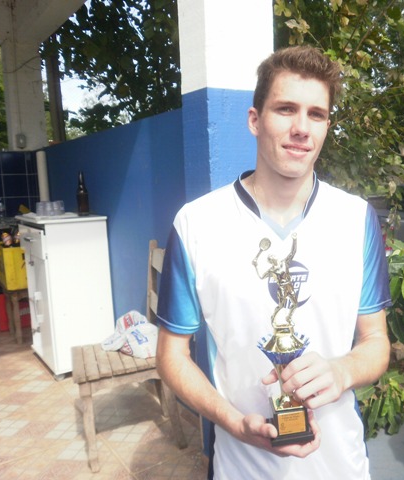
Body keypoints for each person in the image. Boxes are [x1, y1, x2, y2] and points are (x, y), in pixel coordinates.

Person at [156, 45, 391, 479]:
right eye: (286, 109)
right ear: (255, 120)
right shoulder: (196, 223)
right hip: (241, 466)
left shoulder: (356, 219)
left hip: (340, 466)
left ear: (326, 127)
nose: (301, 128)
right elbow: (172, 356)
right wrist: (233, 423)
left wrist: (341, 372)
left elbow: (376, 341)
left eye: (316, 114)